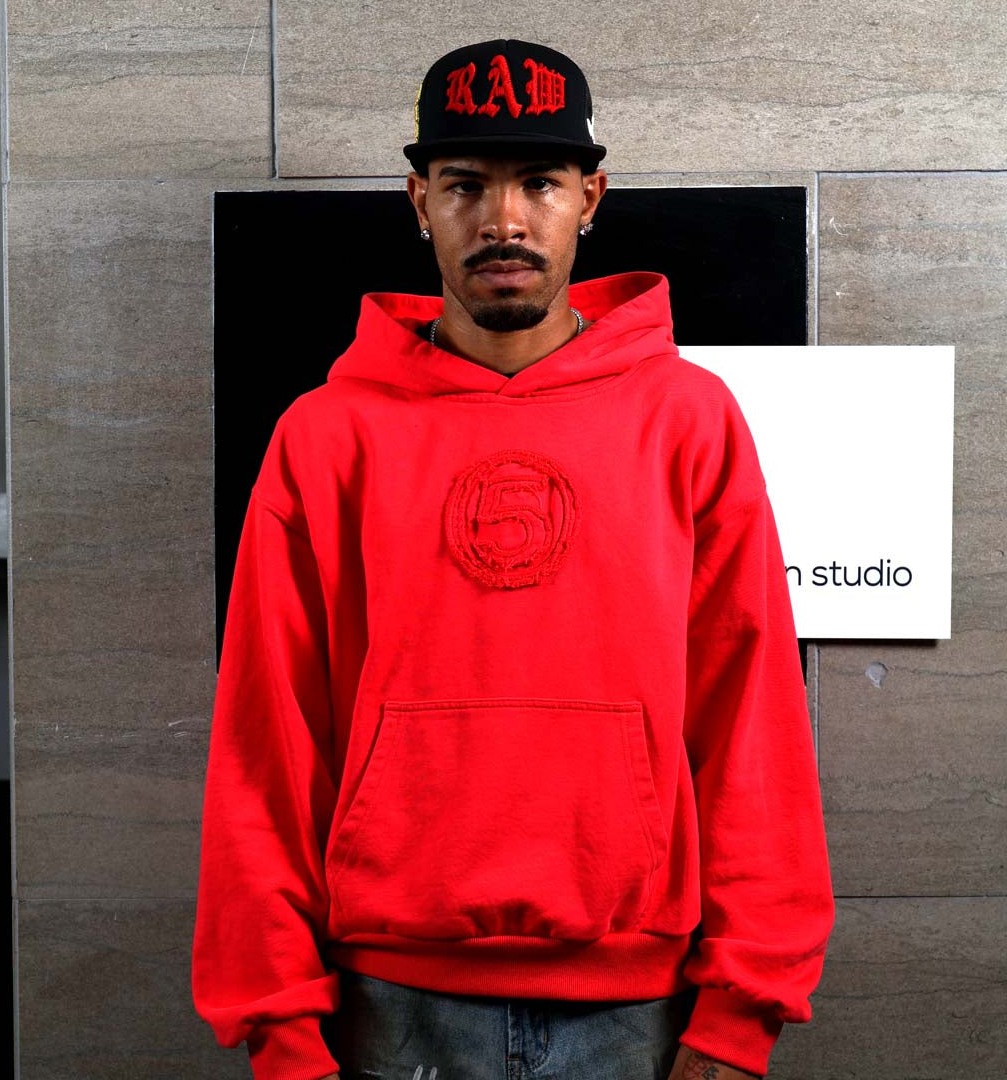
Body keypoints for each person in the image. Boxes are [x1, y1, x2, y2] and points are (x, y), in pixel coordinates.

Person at [191, 38, 836, 1080]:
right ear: (418, 201)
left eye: (538, 182)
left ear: (591, 197)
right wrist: (277, 1024)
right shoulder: (326, 437)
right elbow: (268, 742)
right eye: (465, 185)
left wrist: (741, 1010)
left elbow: (748, 712)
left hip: (641, 1003)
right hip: (384, 1003)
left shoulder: (689, 423)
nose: (503, 220)